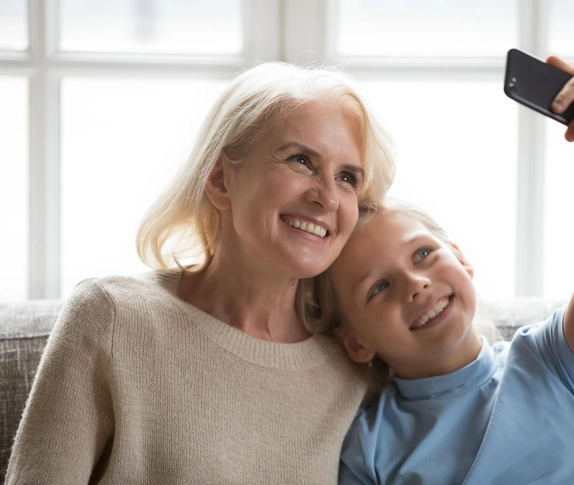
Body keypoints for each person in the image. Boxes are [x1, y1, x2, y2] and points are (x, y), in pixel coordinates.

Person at [5, 62, 396, 484]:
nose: (328, 198)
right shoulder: (111, 319)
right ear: (220, 180)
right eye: (301, 160)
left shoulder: (354, 365)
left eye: (347, 177)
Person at [310, 56, 574, 484]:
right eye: (380, 287)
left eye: (422, 254)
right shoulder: (369, 448)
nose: (416, 284)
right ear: (355, 342)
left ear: (461, 259)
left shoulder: (552, 362)